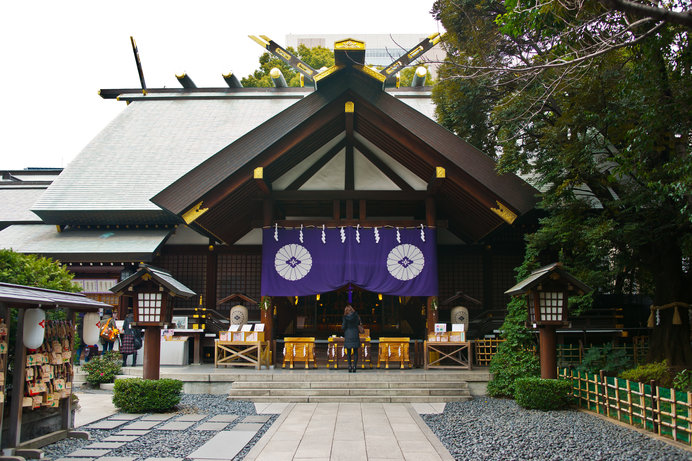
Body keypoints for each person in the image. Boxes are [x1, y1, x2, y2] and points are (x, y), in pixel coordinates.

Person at [342, 304, 362, 373]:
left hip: (348, 335)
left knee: (349, 351)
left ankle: (349, 366)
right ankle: (355, 366)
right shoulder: (356, 316)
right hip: (355, 334)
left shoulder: (345, 317)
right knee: (356, 351)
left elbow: (343, 326)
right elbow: (359, 323)